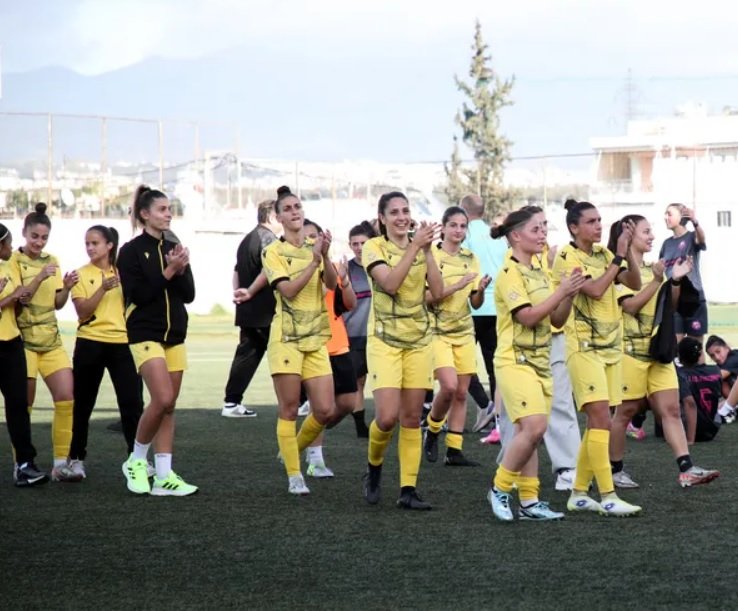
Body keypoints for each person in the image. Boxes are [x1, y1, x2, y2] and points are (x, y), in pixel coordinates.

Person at [486, 208, 585, 521]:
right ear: (516, 236)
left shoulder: (540, 270)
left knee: (529, 432)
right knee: (535, 427)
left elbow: (556, 319)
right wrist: (561, 291)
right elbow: (527, 317)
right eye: (536, 229)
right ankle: (499, 488)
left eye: (544, 228)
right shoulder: (509, 273)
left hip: (540, 361)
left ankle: (529, 502)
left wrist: (569, 294)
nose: (543, 234)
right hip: (515, 361)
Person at [608, 215, 718, 489]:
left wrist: (676, 281)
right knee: (624, 413)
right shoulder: (619, 271)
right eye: (646, 231)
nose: (652, 236)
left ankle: (686, 469)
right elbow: (630, 307)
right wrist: (658, 281)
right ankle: (614, 471)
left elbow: (670, 307)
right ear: (628, 235)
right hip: (630, 354)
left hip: (659, 354)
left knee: (671, 409)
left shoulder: (653, 268)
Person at [552, 200, 643, 517]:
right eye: (591, 221)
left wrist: (627, 252)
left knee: (598, 423)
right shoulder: (567, 256)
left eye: (600, 220)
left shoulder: (605, 254)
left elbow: (635, 283)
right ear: (574, 227)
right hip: (584, 349)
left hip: (609, 349)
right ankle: (608, 495)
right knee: (601, 419)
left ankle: (578, 493)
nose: (598, 225)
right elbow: (594, 290)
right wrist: (618, 257)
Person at [258, 188, 344, 496]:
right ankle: (295, 476)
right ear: (278, 217)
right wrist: (313, 262)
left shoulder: (314, 247)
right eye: (288, 208)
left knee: (325, 410)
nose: (295, 211)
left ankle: (291, 449)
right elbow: (288, 291)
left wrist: (325, 256)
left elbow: (331, 285)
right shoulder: (272, 252)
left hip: (315, 337)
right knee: (290, 408)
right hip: (286, 339)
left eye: (298, 206)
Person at [362, 191, 443, 510]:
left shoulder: (420, 247)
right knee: (386, 417)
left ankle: (408, 490)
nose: (402, 217)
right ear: (382, 219)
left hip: (419, 341)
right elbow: (390, 284)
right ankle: (373, 468)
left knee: (410, 418)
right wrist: (415, 247)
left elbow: (437, 292)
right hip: (384, 341)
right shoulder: (373, 247)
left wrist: (428, 252)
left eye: (405, 211)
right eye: (394, 212)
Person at [118, 185, 197, 496]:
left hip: (174, 334)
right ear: (145, 214)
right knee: (162, 398)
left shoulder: (173, 246)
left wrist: (182, 269)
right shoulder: (131, 251)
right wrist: (169, 270)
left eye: (169, 209)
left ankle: (164, 476)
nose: (168, 214)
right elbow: (139, 294)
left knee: (169, 406)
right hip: (145, 332)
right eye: (162, 209)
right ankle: (136, 460)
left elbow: (188, 295)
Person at [12, 203, 82, 482]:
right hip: (24, 342)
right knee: (24, 405)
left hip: (51, 341)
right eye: (35, 237)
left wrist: (67, 287)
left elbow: (57, 303)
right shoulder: (14, 260)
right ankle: (21, 464)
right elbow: (21, 297)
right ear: (24, 233)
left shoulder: (53, 259)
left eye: (44, 238)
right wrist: (40, 276)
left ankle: (60, 465)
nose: (39, 242)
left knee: (66, 398)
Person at [67, 225, 144, 478]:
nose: (90, 248)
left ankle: (137, 459)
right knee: (83, 404)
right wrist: (102, 288)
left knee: (132, 403)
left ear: (109, 245)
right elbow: (83, 312)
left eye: (95, 243)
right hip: (90, 343)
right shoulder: (80, 274)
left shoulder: (124, 273)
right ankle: (76, 458)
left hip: (122, 344)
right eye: (87, 243)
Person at [423, 206, 490, 467]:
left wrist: (480, 290)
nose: (458, 230)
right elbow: (426, 297)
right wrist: (458, 285)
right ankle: (432, 428)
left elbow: (475, 303)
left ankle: (454, 450)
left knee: (461, 393)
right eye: (453, 225)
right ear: (443, 227)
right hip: (437, 332)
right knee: (449, 387)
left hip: (464, 332)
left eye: (463, 226)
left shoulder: (471, 258)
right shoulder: (430, 255)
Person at [295, 219, 359, 477]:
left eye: (315, 235)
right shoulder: (298, 267)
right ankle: (315, 461)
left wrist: (345, 280)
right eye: (307, 236)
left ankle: (308, 432)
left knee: (348, 402)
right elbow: (311, 297)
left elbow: (350, 304)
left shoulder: (331, 266)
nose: (312, 240)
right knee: (318, 405)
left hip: (339, 343)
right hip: (314, 345)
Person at [221, 198, 281, 418]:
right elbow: (269, 270)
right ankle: (303, 400)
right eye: (281, 215)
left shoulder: (247, 239)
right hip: (264, 310)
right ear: (272, 217)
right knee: (285, 352)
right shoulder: (268, 239)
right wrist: (250, 292)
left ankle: (231, 402)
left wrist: (239, 294)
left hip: (248, 309)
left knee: (248, 355)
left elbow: (236, 271)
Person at [0, 223, 47, 486]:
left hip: (12, 344)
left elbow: (14, 308)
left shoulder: (10, 266)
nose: (11, 247)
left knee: (18, 406)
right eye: (7, 244)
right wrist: (10, 298)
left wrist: (20, 299)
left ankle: (25, 465)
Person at [460, 194, 507, 432]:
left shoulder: (464, 235)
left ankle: (483, 404)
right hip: (496, 308)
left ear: (463, 211)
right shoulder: (497, 236)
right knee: (494, 365)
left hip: (472, 305)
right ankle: (499, 418)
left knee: (461, 363)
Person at [341, 221, 377, 438]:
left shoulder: (380, 267)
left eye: (363, 243)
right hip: (354, 334)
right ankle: (360, 426)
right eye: (355, 243)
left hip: (379, 335)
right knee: (359, 381)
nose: (359, 247)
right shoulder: (346, 269)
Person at [660, 203, 707, 342]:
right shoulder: (666, 244)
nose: (665, 217)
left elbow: (701, 240)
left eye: (669, 214)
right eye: (665, 214)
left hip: (693, 298)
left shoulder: (692, 237)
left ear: (681, 216)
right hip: (674, 300)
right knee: (675, 346)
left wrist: (695, 222)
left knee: (694, 347)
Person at [678, 337, 723, 443]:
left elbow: (689, 403)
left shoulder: (679, 374)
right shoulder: (716, 370)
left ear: (679, 356)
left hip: (687, 429)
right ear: (699, 354)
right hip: (712, 429)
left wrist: (690, 439)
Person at [705, 334, 738, 416]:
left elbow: (716, 377)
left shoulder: (734, 357)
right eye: (712, 355)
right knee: (722, 382)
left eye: (718, 351)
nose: (717, 357)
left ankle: (728, 408)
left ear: (726, 348)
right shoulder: (721, 365)